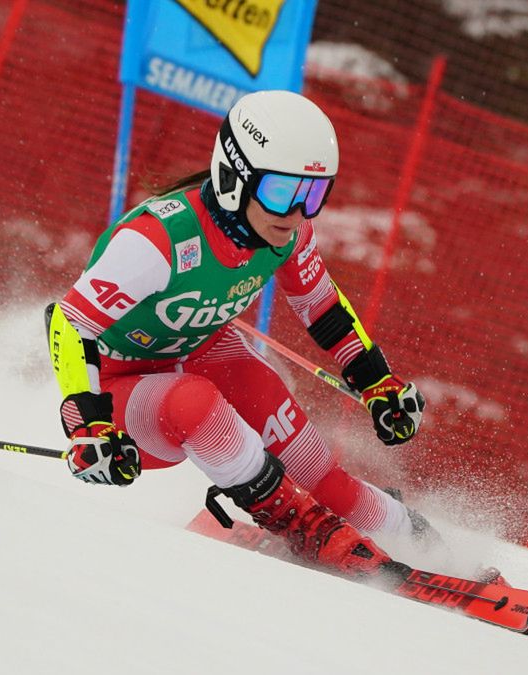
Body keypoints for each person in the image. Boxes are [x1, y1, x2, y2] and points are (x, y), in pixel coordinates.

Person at [45, 90, 430, 579]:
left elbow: (323, 307)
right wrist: (86, 425)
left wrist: (377, 382)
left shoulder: (288, 235)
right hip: (124, 389)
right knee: (194, 401)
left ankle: (414, 537)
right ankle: (298, 523)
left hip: (202, 349)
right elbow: (68, 322)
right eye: (280, 192)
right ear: (233, 176)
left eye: (312, 195)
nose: (294, 212)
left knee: (315, 472)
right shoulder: (159, 239)